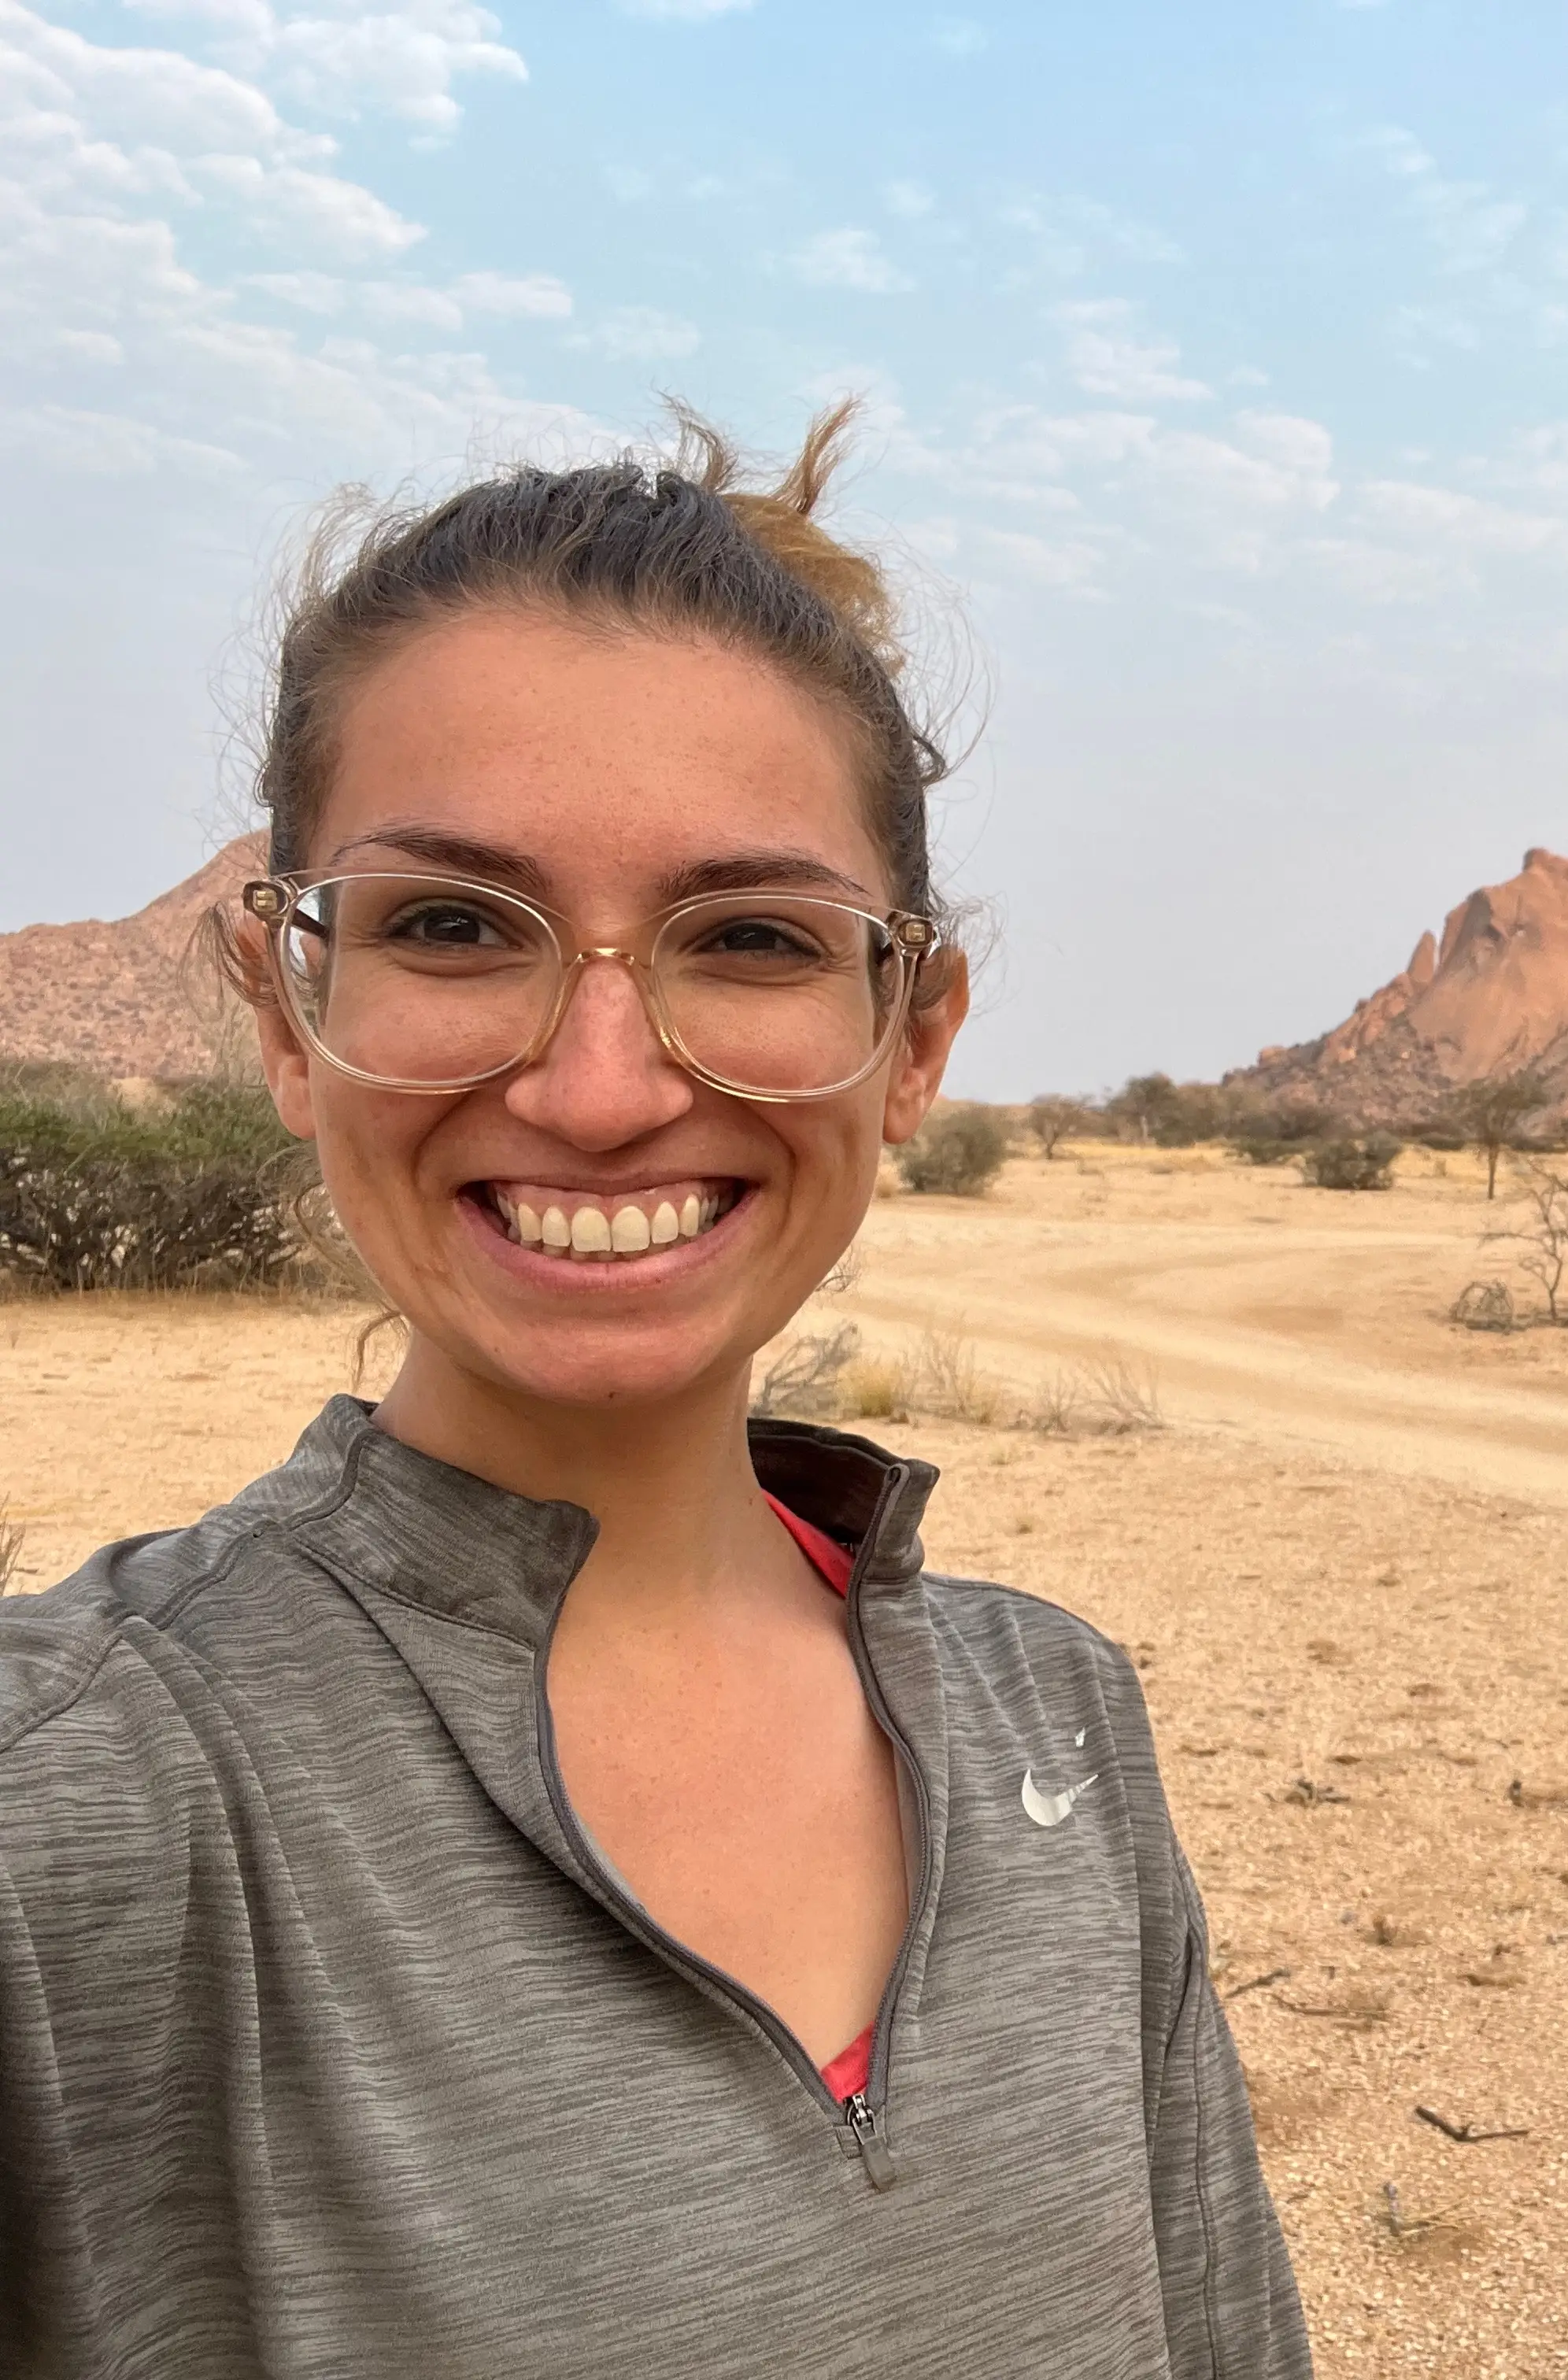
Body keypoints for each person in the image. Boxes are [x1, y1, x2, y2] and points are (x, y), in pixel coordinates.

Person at [0, 405, 1309, 2378]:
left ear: (911, 1039)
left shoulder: (1064, 1726)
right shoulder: (84, 1809)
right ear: (290, 1009)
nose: (601, 1087)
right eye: (452, 924)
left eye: (752, 938)